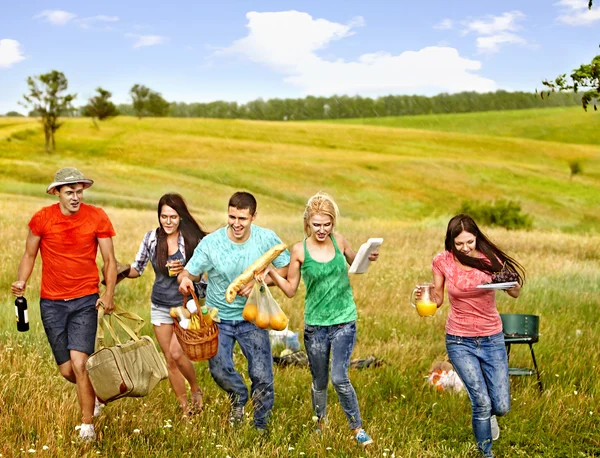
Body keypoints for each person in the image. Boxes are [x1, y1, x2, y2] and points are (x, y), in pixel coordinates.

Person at [258, 192, 378, 447]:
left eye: (327, 224)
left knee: (339, 378)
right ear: (308, 223)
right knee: (320, 381)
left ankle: (357, 428)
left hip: (344, 321)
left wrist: (369, 256)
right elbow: (290, 289)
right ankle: (320, 423)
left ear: (333, 223)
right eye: (317, 225)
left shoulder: (340, 242)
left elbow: (358, 264)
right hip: (315, 326)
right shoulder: (299, 250)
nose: (322, 230)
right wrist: (270, 272)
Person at [10, 167, 117, 442]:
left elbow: (110, 260)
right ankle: (95, 396)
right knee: (67, 369)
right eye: (69, 192)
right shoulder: (42, 219)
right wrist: (22, 281)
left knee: (81, 364)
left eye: (79, 192)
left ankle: (87, 426)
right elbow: (29, 254)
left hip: (85, 299)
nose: (75, 197)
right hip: (52, 304)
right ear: (56, 192)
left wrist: (109, 294)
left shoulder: (97, 217)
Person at [178, 191, 290, 431]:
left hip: (253, 317)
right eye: (232, 217)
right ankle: (239, 396)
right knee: (218, 370)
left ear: (253, 217)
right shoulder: (212, 243)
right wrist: (185, 279)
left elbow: (285, 272)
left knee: (262, 375)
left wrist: (259, 282)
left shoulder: (266, 239)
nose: (236, 224)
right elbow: (190, 272)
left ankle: (260, 425)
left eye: (242, 218)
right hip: (219, 318)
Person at [415, 214, 525, 458]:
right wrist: (421, 299)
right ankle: (486, 452)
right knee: (481, 402)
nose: (465, 248)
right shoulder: (442, 261)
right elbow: (438, 299)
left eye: (469, 242)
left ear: (476, 238)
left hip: (491, 338)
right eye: (459, 244)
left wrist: (513, 285)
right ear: (451, 241)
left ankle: (491, 417)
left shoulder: (489, 259)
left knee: (502, 406)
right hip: (459, 339)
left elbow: (514, 291)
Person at [124, 193, 208, 417]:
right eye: (164, 216)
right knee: (170, 360)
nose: (168, 221)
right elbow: (137, 268)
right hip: (160, 305)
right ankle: (185, 409)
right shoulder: (151, 238)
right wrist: (120, 271)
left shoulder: (192, 240)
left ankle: (195, 389)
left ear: (181, 217)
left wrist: (187, 273)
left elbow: (203, 278)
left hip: (184, 307)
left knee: (177, 353)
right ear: (159, 217)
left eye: (173, 216)